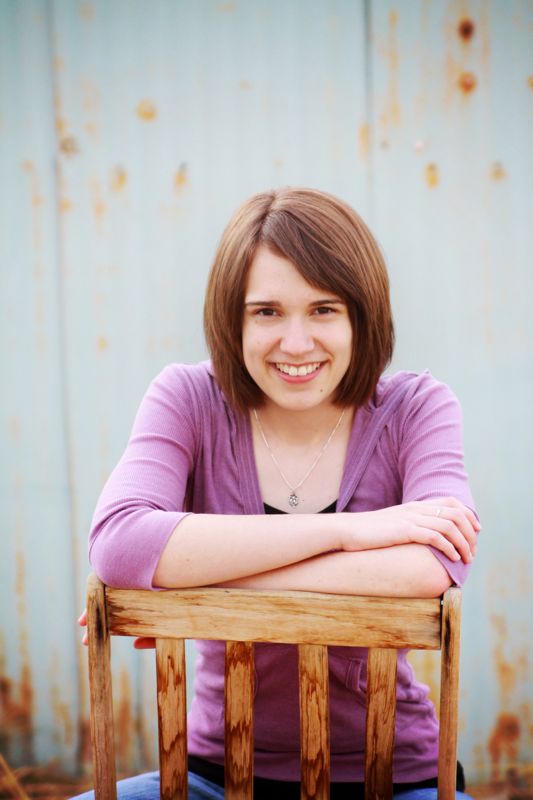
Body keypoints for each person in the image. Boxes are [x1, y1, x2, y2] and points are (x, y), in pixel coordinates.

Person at [75, 187, 479, 799]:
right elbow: (119, 543)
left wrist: (193, 581)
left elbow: (433, 563)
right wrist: (346, 532)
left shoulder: (416, 408)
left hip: (393, 777)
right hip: (212, 776)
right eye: (266, 311)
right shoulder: (187, 399)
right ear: (230, 318)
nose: (295, 344)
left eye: (323, 309)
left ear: (361, 317)